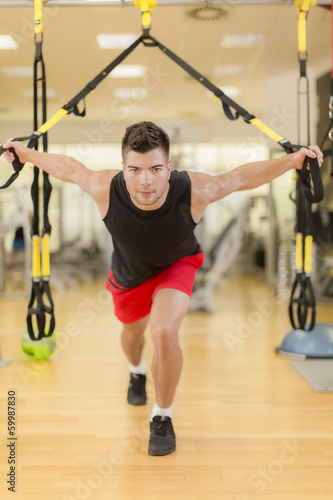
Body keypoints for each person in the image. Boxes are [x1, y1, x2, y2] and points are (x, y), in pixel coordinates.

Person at [2, 122, 323, 456]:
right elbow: (68, 168)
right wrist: (27, 154)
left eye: (155, 169)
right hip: (129, 276)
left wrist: (292, 161)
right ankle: (137, 371)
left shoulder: (194, 190)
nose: (145, 181)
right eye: (135, 170)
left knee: (165, 333)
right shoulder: (104, 187)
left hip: (177, 265)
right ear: (123, 169)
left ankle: (162, 416)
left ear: (169, 168)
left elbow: (238, 178)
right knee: (132, 336)